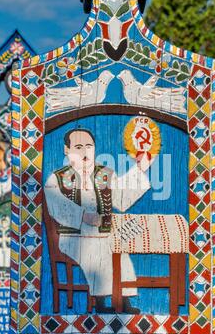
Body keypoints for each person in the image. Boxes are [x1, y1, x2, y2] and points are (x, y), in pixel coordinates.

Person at [44, 128, 153, 313]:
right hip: (73, 238)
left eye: (88, 146)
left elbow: (122, 198)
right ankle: (100, 303)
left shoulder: (106, 174)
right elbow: (55, 203)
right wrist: (82, 216)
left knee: (120, 252)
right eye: (78, 147)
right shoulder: (58, 178)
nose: (85, 152)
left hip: (103, 236)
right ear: (66, 150)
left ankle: (123, 300)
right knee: (95, 251)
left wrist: (140, 170)